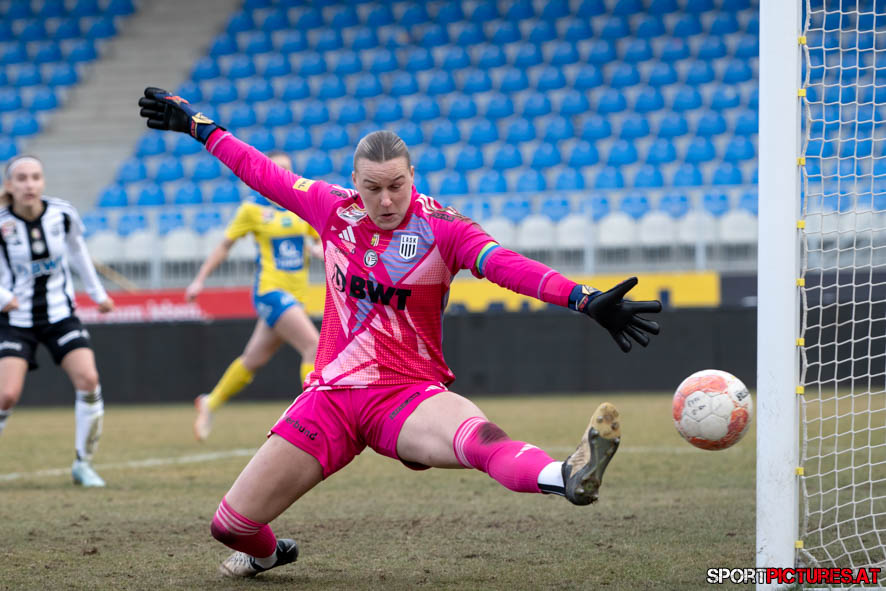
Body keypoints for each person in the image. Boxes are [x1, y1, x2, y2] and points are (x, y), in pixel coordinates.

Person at [138, 88, 661, 577]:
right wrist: (200, 127)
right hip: (332, 399)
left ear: (412, 175)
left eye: (397, 186)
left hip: (408, 394)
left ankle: (565, 477)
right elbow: (259, 172)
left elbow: (504, 265)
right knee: (230, 527)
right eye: (373, 188)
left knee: (481, 441)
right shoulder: (331, 209)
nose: (386, 200)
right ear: (355, 183)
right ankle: (269, 556)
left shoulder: (443, 228)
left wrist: (584, 298)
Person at [186, 150, 321, 441]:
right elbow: (225, 245)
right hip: (270, 293)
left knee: (252, 360)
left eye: (289, 170)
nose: (285, 175)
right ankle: (312, 419)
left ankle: (210, 402)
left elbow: (319, 244)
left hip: (295, 297)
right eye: (278, 169)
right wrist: (199, 280)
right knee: (313, 345)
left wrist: (323, 253)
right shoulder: (252, 210)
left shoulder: (302, 208)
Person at [0, 154, 115, 487]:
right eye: (21, 178)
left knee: (89, 379)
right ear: (10, 185)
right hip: (15, 320)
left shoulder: (63, 214)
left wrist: (98, 295)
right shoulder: (2, 223)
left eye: (35, 177)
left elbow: (78, 251)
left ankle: (83, 464)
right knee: (6, 396)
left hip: (60, 315)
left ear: (43, 181)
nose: (29, 184)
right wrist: (5, 297)